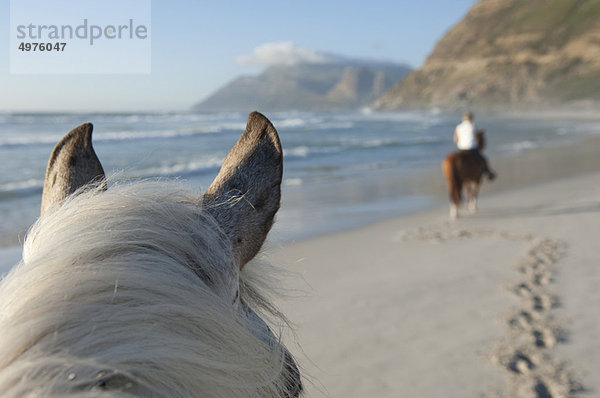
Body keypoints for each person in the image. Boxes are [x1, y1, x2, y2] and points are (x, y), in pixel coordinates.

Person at [454, 112, 495, 180]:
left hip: (461, 148)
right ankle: (488, 173)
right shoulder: (473, 125)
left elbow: (456, 140)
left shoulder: (458, 126)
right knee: (483, 159)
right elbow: (477, 137)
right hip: (471, 148)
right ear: (471, 118)